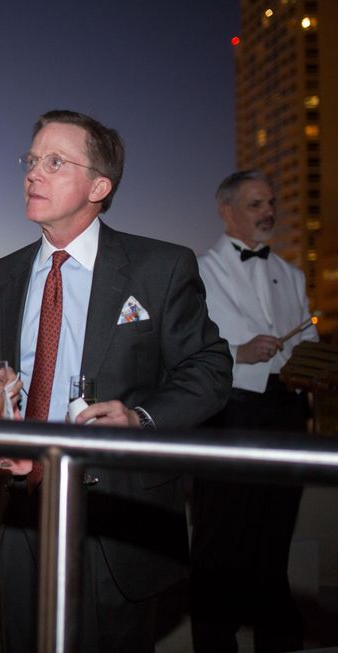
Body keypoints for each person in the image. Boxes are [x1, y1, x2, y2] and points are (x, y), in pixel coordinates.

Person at [0, 110, 232, 652]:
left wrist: (140, 418)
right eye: (31, 160)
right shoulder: (2, 277)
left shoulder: (159, 267)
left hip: (116, 510)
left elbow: (210, 369)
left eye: (54, 162)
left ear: (99, 185)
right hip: (22, 504)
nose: (33, 174)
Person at [190, 170, 317, 653]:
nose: (269, 212)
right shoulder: (197, 270)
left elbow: (307, 344)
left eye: (271, 202)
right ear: (226, 212)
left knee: (274, 543)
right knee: (218, 545)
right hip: (229, 413)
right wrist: (237, 354)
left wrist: (312, 363)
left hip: (286, 413)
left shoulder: (295, 274)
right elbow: (188, 348)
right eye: (256, 204)